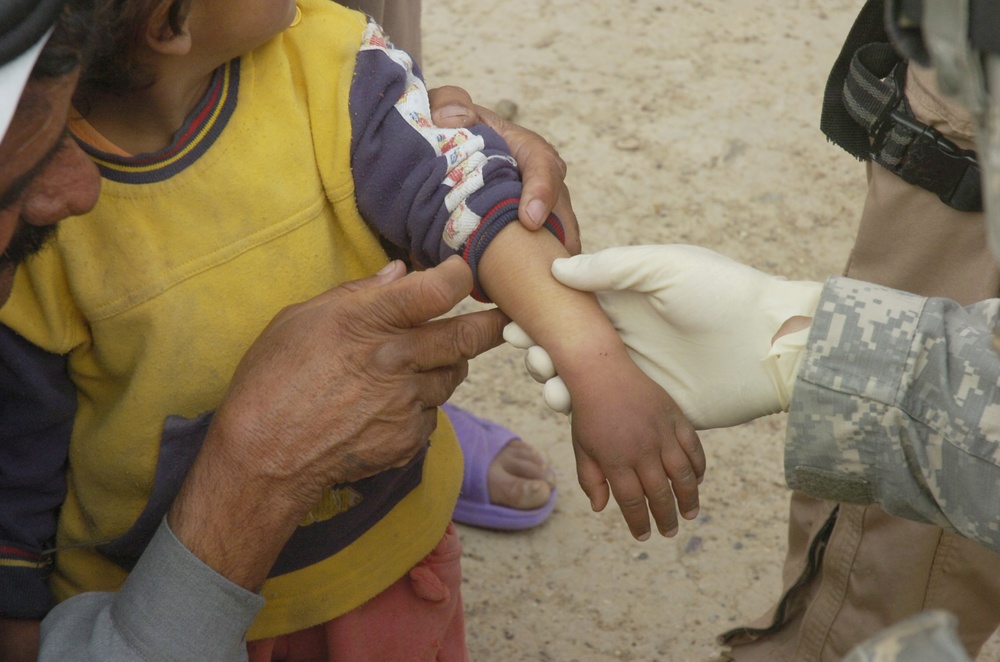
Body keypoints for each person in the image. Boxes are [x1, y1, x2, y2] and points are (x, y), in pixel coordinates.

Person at [0, 0, 706, 658]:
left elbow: (473, 199)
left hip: (384, 560)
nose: (66, 191)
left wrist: (596, 364)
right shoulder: (45, 212)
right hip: (150, 606)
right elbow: (19, 463)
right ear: (170, 25)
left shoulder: (330, 58)